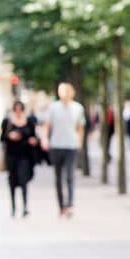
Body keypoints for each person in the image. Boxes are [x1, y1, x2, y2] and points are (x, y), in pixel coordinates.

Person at [41, 82, 86, 218]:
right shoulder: (53, 107)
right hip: (56, 145)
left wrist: (80, 142)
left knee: (70, 176)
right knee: (58, 178)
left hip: (71, 146)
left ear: (72, 92)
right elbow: (47, 125)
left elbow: (80, 127)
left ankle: (70, 204)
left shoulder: (78, 108)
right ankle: (61, 206)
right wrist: (45, 139)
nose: (65, 93)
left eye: (67, 91)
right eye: (62, 91)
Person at [1, 100, 39, 217]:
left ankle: (25, 207)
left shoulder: (29, 121)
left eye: (20, 109)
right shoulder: (7, 121)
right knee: (12, 181)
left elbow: (34, 137)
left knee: (23, 181)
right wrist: (10, 136)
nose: (18, 111)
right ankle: (13, 207)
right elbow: (2, 138)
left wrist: (32, 140)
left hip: (25, 155)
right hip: (11, 155)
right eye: (16, 109)